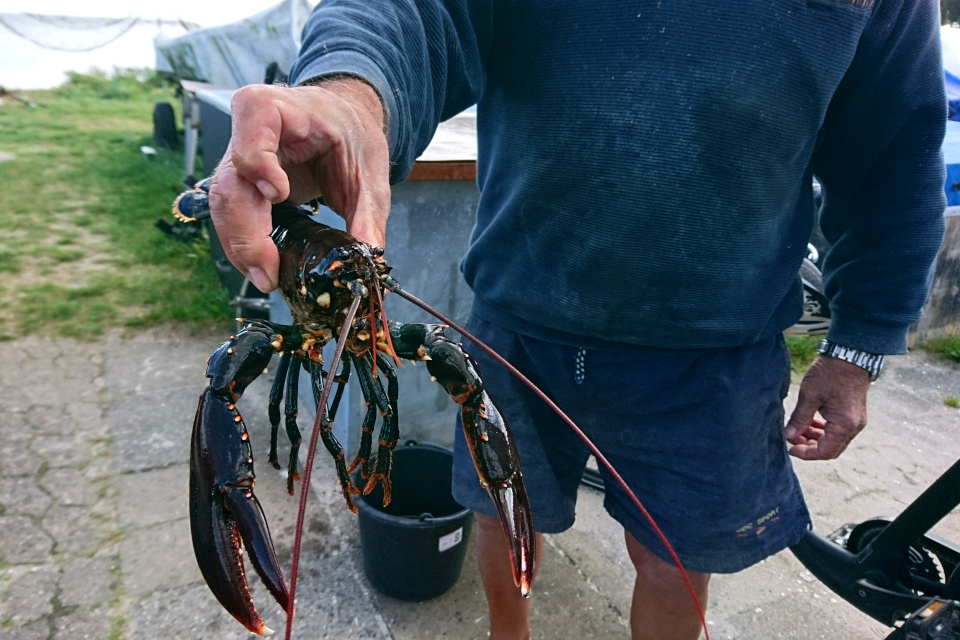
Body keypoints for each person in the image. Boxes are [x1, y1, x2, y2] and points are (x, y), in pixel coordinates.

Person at [206, 1, 947, 638]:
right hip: (517, 317)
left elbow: (896, 154)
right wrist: (350, 90)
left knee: (672, 556)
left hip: (717, 349)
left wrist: (860, 348)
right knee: (495, 506)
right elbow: (418, 10)